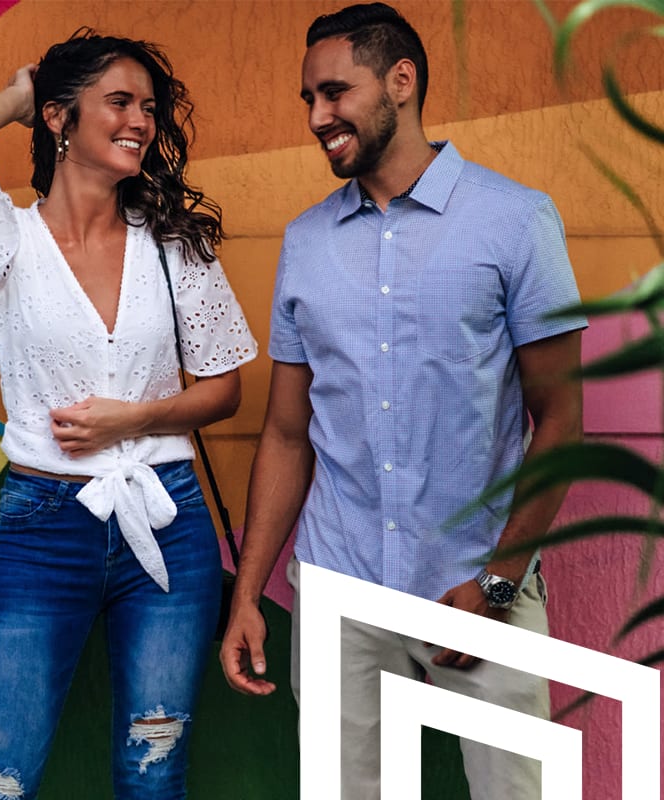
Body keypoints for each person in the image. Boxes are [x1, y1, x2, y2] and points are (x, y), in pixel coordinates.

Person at [219, 4, 585, 799]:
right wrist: (249, 592)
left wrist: (498, 583)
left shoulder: (517, 221)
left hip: (477, 586)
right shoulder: (306, 241)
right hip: (339, 588)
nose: (317, 117)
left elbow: (561, 418)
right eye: (308, 99)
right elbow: (287, 434)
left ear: (401, 82)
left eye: (334, 92)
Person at [0, 29, 256, 800]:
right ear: (59, 118)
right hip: (42, 528)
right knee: (0, 780)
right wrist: (17, 93)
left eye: (149, 107)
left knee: (155, 773)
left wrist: (131, 420)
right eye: (119, 102)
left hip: (169, 524)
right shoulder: (4, 238)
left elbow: (225, 389)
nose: (141, 119)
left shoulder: (177, 244)